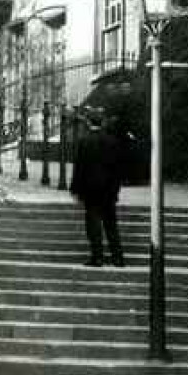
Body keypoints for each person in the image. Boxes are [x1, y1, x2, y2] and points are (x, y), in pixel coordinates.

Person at [69, 111, 125, 267]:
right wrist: (116, 189)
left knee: (93, 223)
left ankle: (97, 257)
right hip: (108, 189)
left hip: (90, 189)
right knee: (111, 224)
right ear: (103, 123)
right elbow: (117, 169)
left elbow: (79, 168)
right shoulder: (113, 142)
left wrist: (75, 189)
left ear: (88, 122)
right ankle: (118, 258)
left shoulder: (84, 141)